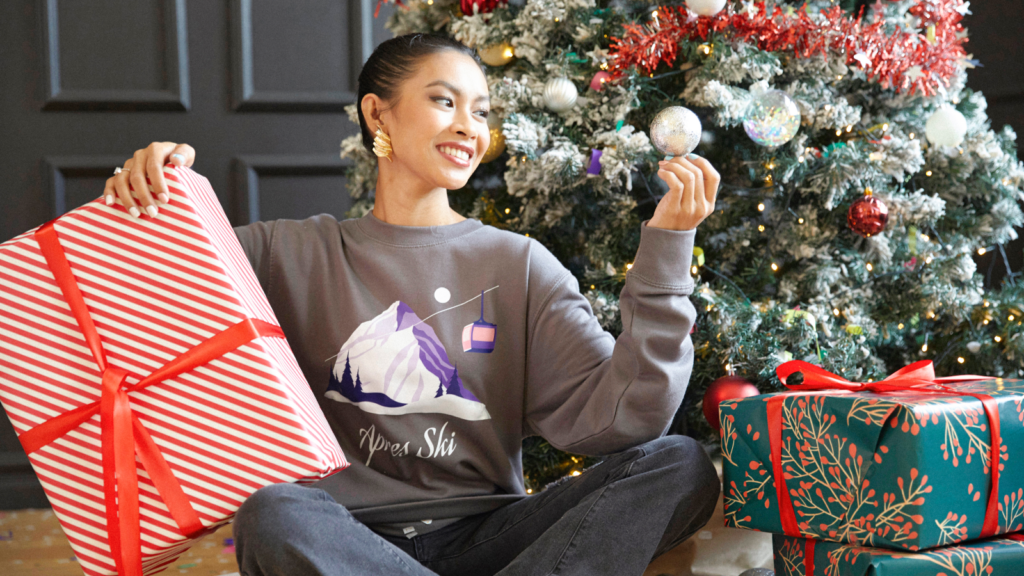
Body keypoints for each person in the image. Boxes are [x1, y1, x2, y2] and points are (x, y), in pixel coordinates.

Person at [103, 32, 720, 576]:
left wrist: (666, 254)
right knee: (275, 511)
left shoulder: (519, 264)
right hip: (344, 543)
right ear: (379, 115)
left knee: (681, 465)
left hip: (493, 537)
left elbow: (624, 420)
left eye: (480, 111)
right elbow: (148, 300)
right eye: (444, 101)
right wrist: (154, 194)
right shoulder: (280, 253)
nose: (469, 127)